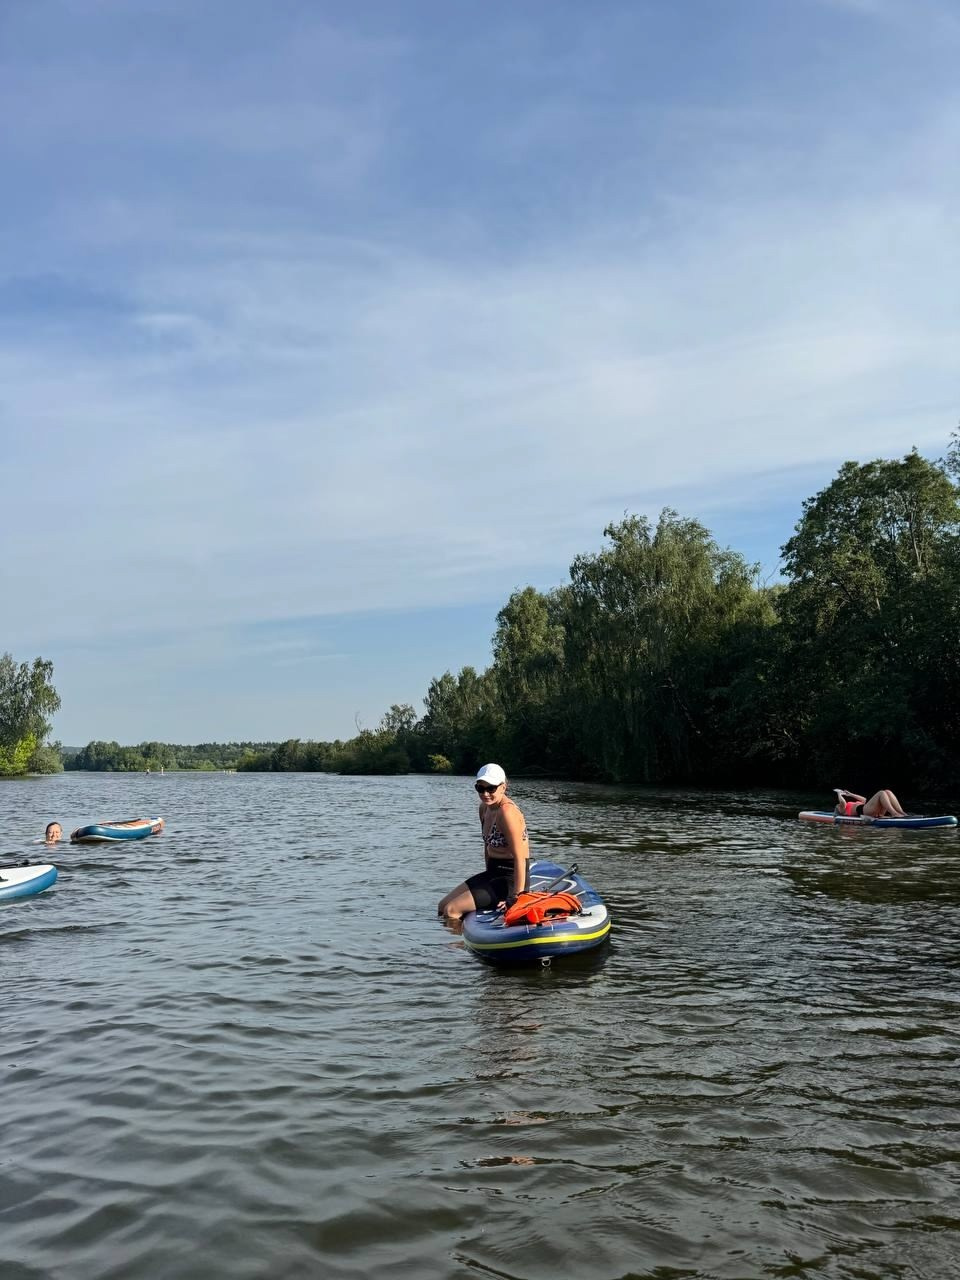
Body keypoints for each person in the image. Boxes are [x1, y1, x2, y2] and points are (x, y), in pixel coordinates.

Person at [438, 763, 530, 921]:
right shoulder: (484, 808)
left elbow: (520, 858)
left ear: (503, 787)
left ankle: (461, 945)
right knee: (442, 906)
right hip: (493, 873)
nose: (485, 794)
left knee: (452, 910)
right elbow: (487, 847)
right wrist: (486, 881)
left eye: (491, 788)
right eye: (480, 788)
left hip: (510, 878)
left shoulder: (507, 813)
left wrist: (517, 897)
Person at [833, 788, 908, 819]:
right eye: (838, 806)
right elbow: (842, 802)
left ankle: (901, 812)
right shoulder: (843, 809)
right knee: (881, 793)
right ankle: (894, 813)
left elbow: (864, 800)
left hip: (870, 809)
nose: (838, 805)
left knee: (888, 791)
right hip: (864, 811)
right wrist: (839, 793)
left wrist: (850, 794)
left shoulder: (850, 804)